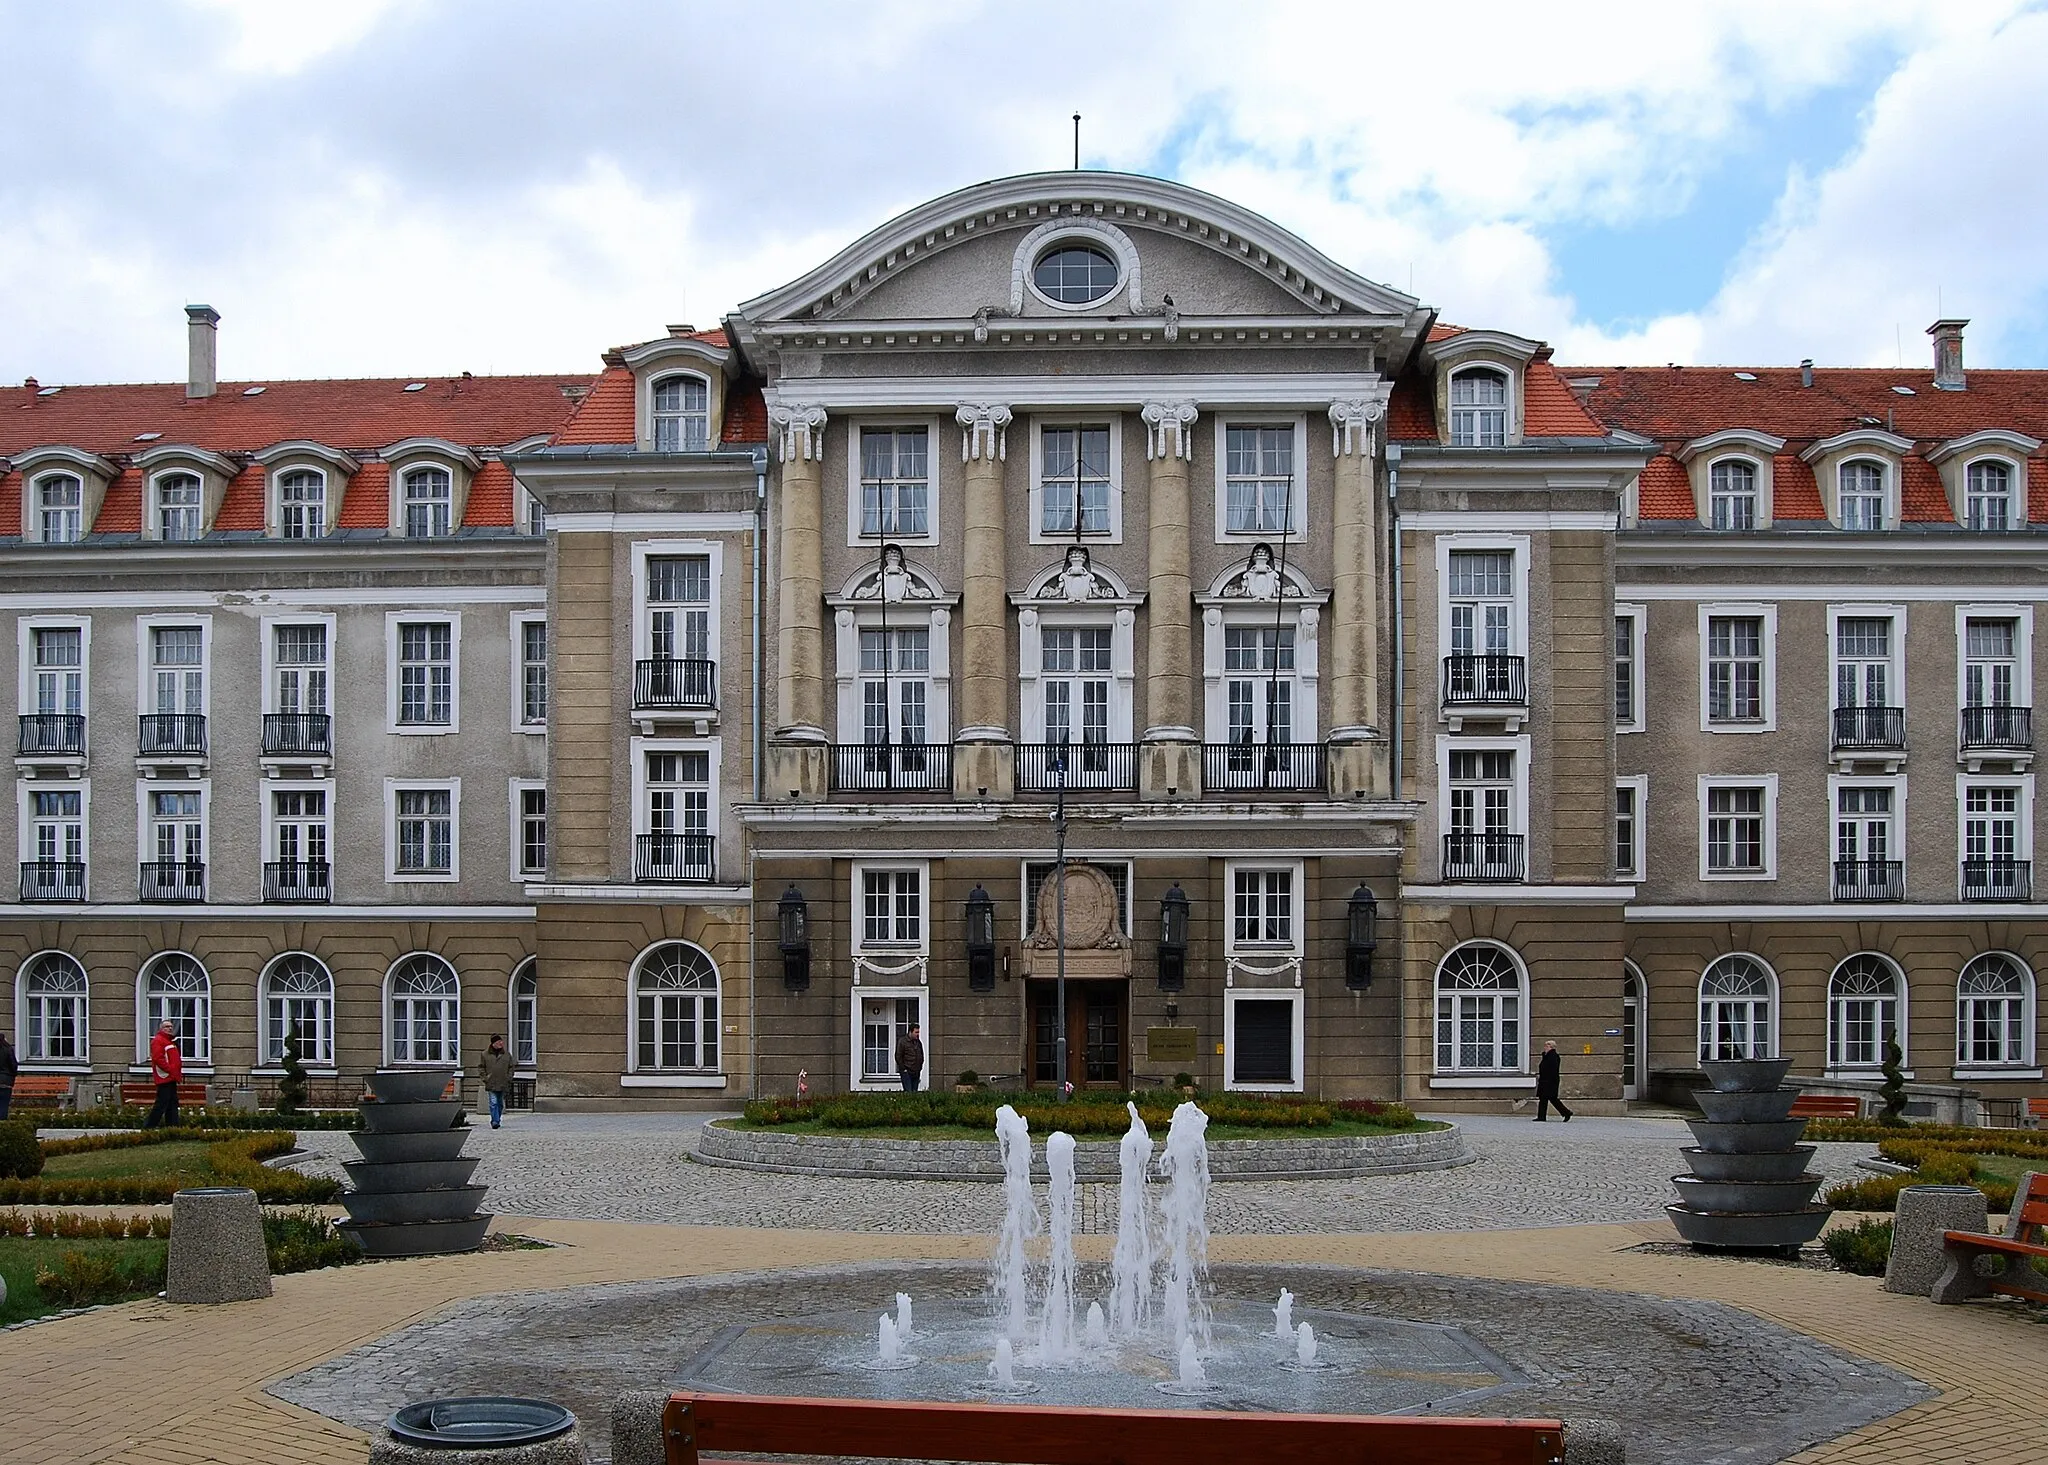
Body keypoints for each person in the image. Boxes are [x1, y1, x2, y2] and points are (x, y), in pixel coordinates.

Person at [145, 1020, 183, 1129]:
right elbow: (158, 1058)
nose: (170, 1028)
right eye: (167, 1026)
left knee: (172, 1103)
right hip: (165, 1076)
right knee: (162, 1103)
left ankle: (172, 1127)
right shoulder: (159, 1040)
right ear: (161, 1028)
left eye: (171, 1026)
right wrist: (170, 1069)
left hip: (171, 1076)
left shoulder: (169, 1041)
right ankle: (149, 1127)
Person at [479, 1033, 515, 1129]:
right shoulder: (485, 1054)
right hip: (491, 1082)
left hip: (503, 1082)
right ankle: (495, 1121)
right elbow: (481, 1068)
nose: (501, 1043)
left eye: (501, 1041)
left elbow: (511, 1067)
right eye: (499, 1041)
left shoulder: (506, 1055)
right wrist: (485, 1078)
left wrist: (509, 1077)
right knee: (493, 1102)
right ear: (493, 1043)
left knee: (499, 1103)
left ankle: (497, 1119)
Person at [1535, 1040, 1573, 1122]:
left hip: (1550, 1081)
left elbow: (1552, 1070)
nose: (1544, 1047)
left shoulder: (1553, 1056)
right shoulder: (1546, 1056)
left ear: (1550, 1047)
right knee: (1544, 1099)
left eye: (1546, 1046)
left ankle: (1566, 1112)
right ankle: (1541, 1116)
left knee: (1552, 1099)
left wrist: (1548, 1081)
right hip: (1545, 1081)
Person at [895, 1023, 925, 1093]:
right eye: (916, 1032)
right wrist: (903, 1069)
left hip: (916, 1071)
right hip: (907, 1071)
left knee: (914, 1091)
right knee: (909, 1092)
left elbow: (921, 1054)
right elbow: (898, 1056)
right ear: (910, 1032)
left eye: (918, 1032)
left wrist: (920, 1067)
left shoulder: (918, 1042)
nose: (918, 1034)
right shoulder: (903, 1042)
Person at [0, 1029, 17, 1120]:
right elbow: (13, 1065)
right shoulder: (8, 1049)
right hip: (6, 1081)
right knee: (3, 1105)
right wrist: (13, 1075)